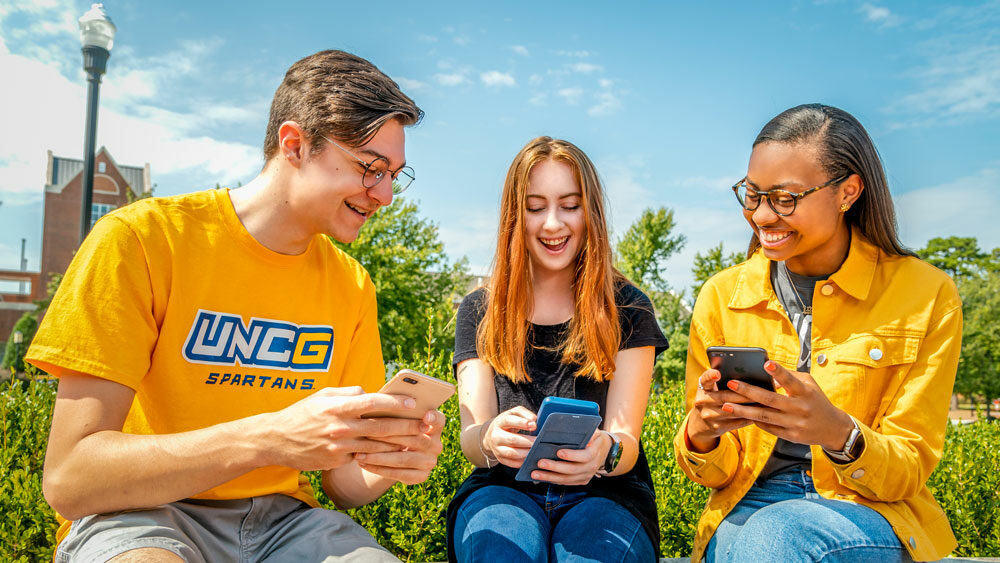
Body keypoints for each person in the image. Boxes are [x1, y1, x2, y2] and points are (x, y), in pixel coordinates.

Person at [26, 50, 444, 563]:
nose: (385, 195)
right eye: (371, 169)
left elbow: (341, 485)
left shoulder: (352, 284)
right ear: (295, 144)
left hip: (286, 526)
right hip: (139, 515)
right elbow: (71, 478)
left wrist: (389, 462)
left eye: (395, 175)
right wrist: (270, 438)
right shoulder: (140, 240)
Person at [674, 104, 962, 562]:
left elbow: (909, 467)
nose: (763, 216)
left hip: (872, 510)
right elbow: (715, 473)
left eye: (784, 199)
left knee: (777, 537)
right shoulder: (721, 295)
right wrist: (703, 432)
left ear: (847, 191)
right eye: (752, 194)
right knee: (757, 541)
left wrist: (839, 434)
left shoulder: (926, 294)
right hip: (748, 504)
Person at [446, 136, 669, 562]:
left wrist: (605, 451)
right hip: (501, 491)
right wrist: (491, 440)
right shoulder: (480, 309)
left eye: (570, 205)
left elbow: (626, 441)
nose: (553, 224)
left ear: (591, 213)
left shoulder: (629, 307)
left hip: (608, 495)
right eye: (535, 207)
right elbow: (472, 437)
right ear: (515, 215)